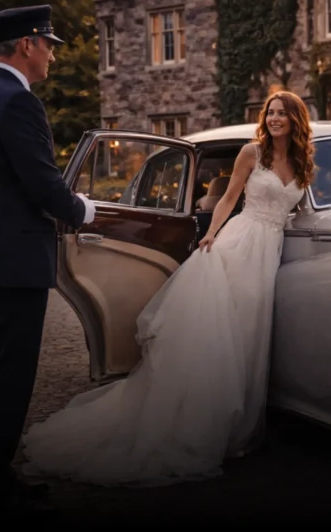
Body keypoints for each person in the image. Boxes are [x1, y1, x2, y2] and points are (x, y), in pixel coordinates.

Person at [19, 90, 314, 487]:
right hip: (241, 244)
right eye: (271, 113)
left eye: (283, 113)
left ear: (296, 119)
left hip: (271, 250)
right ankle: (206, 425)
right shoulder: (251, 153)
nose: (276, 119)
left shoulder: (302, 160)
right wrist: (210, 235)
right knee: (224, 336)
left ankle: (237, 425)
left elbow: (297, 208)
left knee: (251, 335)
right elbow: (228, 199)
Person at [0, 4, 96, 523]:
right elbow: (41, 181)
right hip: (13, 262)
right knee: (7, 381)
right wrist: (82, 211)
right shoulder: (17, 101)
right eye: (49, 45)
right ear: (28, 45)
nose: (53, 54)